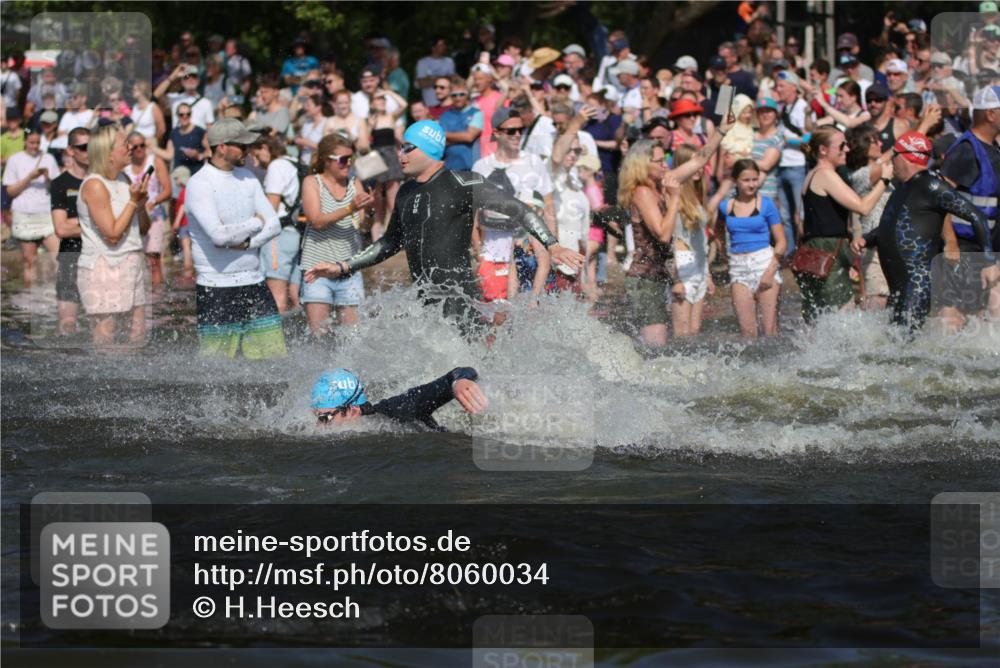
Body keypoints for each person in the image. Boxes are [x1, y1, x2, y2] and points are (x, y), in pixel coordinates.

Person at [303, 120, 583, 338]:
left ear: (429, 148)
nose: (401, 154)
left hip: (459, 301)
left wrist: (552, 244)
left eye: (408, 147)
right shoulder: (404, 192)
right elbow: (388, 243)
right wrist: (343, 267)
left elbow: (520, 209)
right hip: (424, 303)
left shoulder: (463, 183)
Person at [853, 131, 999, 332]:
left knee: (904, 350)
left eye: (894, 155)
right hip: (899, 286)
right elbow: (896, 225)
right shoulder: (902, 189)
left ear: (906, 156)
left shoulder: (932, 185)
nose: (891, 161)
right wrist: (867, 239)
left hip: (917, 284)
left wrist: (989, 262)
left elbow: (977, 217)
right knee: (896, 345)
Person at [185, 118, 285, 358]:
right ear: (221, 147)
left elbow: (275, 224)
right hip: (216, 286)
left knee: (274, 361)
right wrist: (255, 222)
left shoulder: (248, 177)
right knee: (216, 369)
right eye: (242, 146)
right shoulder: (200, 183)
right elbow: (219, 237)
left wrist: (250, 242)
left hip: (254, 282)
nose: (247, 151)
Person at [796, 127, 892, 324]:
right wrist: (884, 180)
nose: (847, 149)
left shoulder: (812, 174)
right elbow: (863, 207)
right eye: (841, 145)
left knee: (818, 319)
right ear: (823, 150)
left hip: (816, 251)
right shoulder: (825, 174)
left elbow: (800, 221)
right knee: (842, 315)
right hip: (828, 252)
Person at [76, 123, 151, 349]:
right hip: (104, 266)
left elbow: (143, 228)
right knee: (106, 340)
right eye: (124, 144)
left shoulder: (124, 179)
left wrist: (141, 204)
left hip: (131, 261)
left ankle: (134, 383)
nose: (130, 148)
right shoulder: (94, 185)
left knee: (137, 335)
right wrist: (132, 202)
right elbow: (112, 235)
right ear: (108, 152)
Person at [471, 107, 554, 307]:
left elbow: (549, 207)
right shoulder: (482, 167)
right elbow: (473, 215)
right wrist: (478, 251)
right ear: (496, 133)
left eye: (521, 130)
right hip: (495, 253)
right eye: (511, 131)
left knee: (533, 315)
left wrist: (553, 246)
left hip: (531, 252)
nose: (517, 135)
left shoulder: (534, 163)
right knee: (496, 317)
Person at [299, 133, 373, 337]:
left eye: (351, 158)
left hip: (348, 268)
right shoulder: (312, 182)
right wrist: (351, 208)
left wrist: (369, 212)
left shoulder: (354, 183)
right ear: (326, 160)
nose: (348, 163)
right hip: (316, 270)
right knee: (319, 336)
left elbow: (362, 225)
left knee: (353, 337)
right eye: (343, 159)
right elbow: (317, 221)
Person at [617, 139, 681, 348]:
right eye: (659, 161)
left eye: (666, 160)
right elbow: (662, 234)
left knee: (655, 346)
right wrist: (675, 199)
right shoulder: (642, 192)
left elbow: (698, 161)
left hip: (657, 277)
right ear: (642, 165)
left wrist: (721, 132)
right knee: (656, 351)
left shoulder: (658, 187)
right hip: (644, 279)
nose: (665, 165)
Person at [719, 159, 786, 338]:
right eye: (746, 180)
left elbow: (781, 242)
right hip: (738, 265)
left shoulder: (767, 204)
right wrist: (724, 254)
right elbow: (717, 232)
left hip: (763, 262)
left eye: (755, 180)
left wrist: (770, 272)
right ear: (735, 181)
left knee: (769, 330)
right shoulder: (726, 206)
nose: (751, 184)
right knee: (747, 333)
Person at [670, 144, 730, 336]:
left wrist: (707, 274)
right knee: (682, 333)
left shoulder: (696, 195)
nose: (699, 168)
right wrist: (675, 278)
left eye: (701, 163)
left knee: (694, 331)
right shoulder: (674, 196)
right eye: (693, 163)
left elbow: (700, 239)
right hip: (682, 264)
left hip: (699, 264)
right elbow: (669, 241)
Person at [311, 367, 486, 431]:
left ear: (353, 411)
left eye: (325, 419)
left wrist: (459, 381)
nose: (317, 426)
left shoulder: (397, 410)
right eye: (315, 416)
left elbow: (461, 372)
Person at [251, 133, 303, 315]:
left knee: (277, 296)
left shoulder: (276, 166)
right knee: (295, 295)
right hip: (297, 233)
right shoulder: (296, 162)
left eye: (256, 156)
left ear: (265, 148)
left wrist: (249, 226)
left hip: (278, 237)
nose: (256, 163)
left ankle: (278, 341)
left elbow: (270, 207)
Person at [2, 129, 60, 285]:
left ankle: (56, 295)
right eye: (31, 143)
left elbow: (57, 189)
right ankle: (30, 302)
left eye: (38, 143)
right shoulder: (15, 160)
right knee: (30, 261)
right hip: (24, 215)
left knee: (59, 257)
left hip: (46, 215)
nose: (35, 146)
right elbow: (10, 191)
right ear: (25, 142)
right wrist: (29, 178)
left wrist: (48, 180)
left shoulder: (48, 158)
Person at [846, 124, 892, 310]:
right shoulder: (860, 175)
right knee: (877, 302)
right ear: (864, 147)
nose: (880, 143)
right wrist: (922, 127)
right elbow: (894, 154)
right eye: (875, 140)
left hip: (887, 246)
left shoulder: (878, 171)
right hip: (873, 249)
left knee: (886, 303)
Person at [50, 127, 90, 335]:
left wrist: (75, 222)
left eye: (91, 146)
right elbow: (61, 229)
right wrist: (93, 223)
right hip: (70, 258)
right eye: (83, 147)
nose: (88, 151)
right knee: (67, 325)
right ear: (71, 150)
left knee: (104, 328)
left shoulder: (98, 180)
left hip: (97, 258)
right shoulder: (60, 184)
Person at [358, 89, 407, 240]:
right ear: (372, 103)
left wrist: (388, 92)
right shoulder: (367, 120)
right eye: (378, 99)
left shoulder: (391, 117)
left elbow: (403, 104)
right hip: (375, 158)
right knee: (376, 200)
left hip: (391, 157)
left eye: (383, 99)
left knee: (393, 201)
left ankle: (394, 235)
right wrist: (370, 127)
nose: (382, 101)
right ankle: (376, 237)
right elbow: (363, 145)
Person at [124, 132, 171, 287]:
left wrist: (153, 201)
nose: (139, 149)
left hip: (154, 216)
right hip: (133, 218)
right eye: (135, 146)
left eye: (142, 145)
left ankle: (157, 299)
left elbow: (168, 190)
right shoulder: (125, 167)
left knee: (154, 260)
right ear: (128, 147)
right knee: (133, 262)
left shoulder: (155, 162)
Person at [774, 70, 809, 259]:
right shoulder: (784, 109)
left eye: (781, 86)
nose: (778, 89)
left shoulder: (802, 107)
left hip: (798, 166)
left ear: (794, 87)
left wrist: (788, 140)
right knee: (785, 215)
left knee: (800, 214)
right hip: (782, 166)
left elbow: (809, 137)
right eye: (777, 86)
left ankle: (805, 252)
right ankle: (789, 253)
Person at [154, 102, 209, 176]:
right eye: (181, 114)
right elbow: (169, 154)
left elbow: (210, 151)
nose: (185, 116)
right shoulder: (174, 133)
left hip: (196, 174)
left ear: (191, 114)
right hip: (179, 176)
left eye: (188, 114)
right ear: (177, 116)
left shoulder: (199, 131)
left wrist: (199, 155)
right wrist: (153, 148)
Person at [440, 78, 483, 170]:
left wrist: (445, 134)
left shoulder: (476, 113)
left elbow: (469, 137)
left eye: (461, 94)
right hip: (450, 167)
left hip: (472, 167)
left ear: (467, 95)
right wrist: (461, 136)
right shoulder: (445, 115)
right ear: (450, 96)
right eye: (454, 95)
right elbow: (441, 141)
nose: (458, 98)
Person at [155, 64, 215, 130]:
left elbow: (210, 128)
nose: (190, 79)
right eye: (186, 77)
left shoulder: (206, 103)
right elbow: (156, 96)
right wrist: (172, 77)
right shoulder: (174, 99)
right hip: (178, 139)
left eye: (194, 76)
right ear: (182, 81)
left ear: (198, 80)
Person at [416, 37, 455, 108]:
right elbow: (422, 83)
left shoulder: (449, 62)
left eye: (444, 45)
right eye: (441, 45)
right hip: (430, 105)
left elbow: (452, 80)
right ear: (433, 47)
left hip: (447, 105)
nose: (444, 47)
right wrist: (444, 78)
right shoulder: (423, 63)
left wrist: (431, 79)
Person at [170, 165, 194, 281]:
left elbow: (183, 207)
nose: (175, 181)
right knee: (189, 247)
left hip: (185, 223)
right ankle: (190, 269)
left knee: (185, 247)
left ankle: (187, 270)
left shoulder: (184, 192)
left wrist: (176, 222)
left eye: (177, 178)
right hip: (191, 223)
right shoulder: (191, 190)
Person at [131, 80, 165, 145]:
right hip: (136, 145)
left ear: (142, 91)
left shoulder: (152, 107)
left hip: (148, 146)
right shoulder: (134, 107)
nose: (132, 91)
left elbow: (161, 129)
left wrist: (154, 142)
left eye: (135, 90)